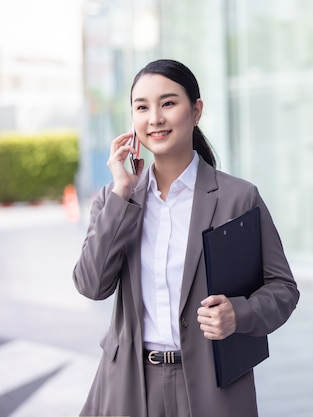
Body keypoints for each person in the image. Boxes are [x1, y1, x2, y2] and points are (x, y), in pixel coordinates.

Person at [73, 59, 299, 417]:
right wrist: (122, 193)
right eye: (142, 107)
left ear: (195, 111)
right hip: (130, 385)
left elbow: (283, 289)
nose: (155, 119)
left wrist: (238, 314)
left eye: (168, 103)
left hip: (212, 385)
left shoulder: (238, 198)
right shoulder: (114, 199)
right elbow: (91, 285)